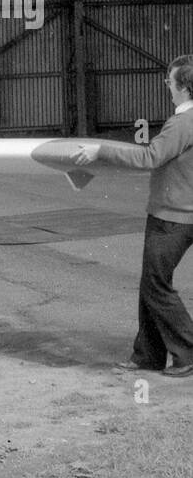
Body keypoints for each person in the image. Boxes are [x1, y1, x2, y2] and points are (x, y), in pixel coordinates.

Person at [74, 55, 193, 376]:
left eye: (169, 81)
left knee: (155, 285)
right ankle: (147, 356)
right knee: (150, 284)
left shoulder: (183, 122)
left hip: (174, 217)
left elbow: (150, 157)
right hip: (176, 213)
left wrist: (101, 150)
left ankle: (188, 351)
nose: (167, 87)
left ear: (182, 86)